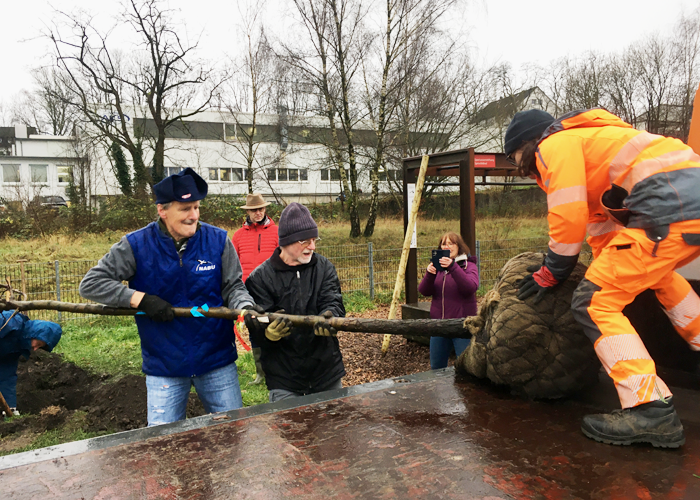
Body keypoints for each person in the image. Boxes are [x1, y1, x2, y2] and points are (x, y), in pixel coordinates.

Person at [504, 107, 700, 448]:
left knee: (595, 302)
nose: (516, 165)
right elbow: (603, 234)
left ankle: (650, 409)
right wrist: (598, 270)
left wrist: (551, 273)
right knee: (659, 277)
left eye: (514, 156)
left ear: (527, 143)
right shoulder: (594, 146)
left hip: (667, 206)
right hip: (682, 204)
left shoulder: (554, 144)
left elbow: (568, 215)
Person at [79, 168, 262, 426]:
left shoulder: (218, 240)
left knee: (233, 432)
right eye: (185, 209)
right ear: (162, 210)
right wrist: (140, 300)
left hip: (216, 361)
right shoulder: (136, 245)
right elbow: (91, 284)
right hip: (164, 365)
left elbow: (233, 286)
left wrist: (244, 306)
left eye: (197, 207)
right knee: (162, 444)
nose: (194, 216)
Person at [243, 202, 346, 403]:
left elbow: (334, 301)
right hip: (284, 378)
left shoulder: (324, 268)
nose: (313, 247)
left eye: (314, 240)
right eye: (305, 241)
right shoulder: (260, 278)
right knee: (290, 433)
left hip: (326, 372)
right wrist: (268, 334)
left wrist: (331, 316)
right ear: (286, 242)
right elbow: (255, 322)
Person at [232, 192, 279, 385]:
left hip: (274, 289)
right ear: (248, 212)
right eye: (253, 210)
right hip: (248, 291)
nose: (257, 212)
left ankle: (277, 371)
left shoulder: (277, 232)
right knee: (255, 329)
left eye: (260, 209)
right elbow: (232, 264)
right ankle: (261, 373)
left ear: (265, 209)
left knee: (276, 326)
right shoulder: (238, 236)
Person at [418, 232, 479, 369]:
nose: (447, 246)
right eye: (444, 243)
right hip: (439, 326)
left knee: (466, 367)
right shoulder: (438, 269)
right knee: (437, 368)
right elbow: (424, 291)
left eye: (451, 243)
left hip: (461, 325)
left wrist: (452, 267)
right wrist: (429, 274)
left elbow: (470, 287)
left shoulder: (468, 266)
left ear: (459, 247)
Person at [0, 310, 62, 417]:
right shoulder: (11, 322)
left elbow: (7, 375)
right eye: (37, 343)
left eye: (40, 347)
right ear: (34, 333)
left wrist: (10, 407)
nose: (35, 348)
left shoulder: (17, 347)